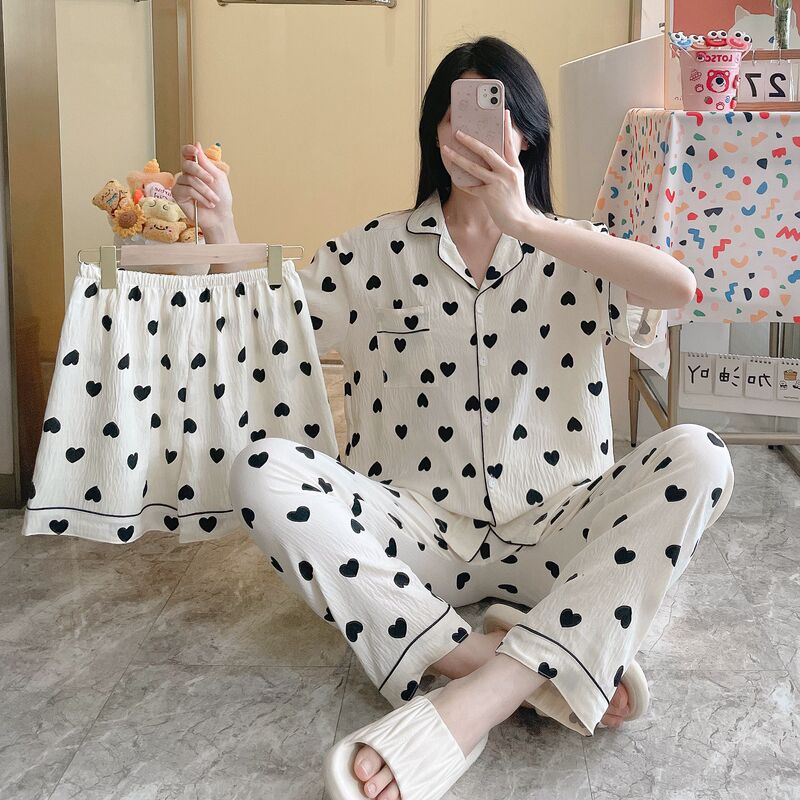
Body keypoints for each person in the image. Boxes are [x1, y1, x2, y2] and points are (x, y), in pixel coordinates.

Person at [173, 35, 734, 800]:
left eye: (494, 116)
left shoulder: (576, 249)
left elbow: (679, 290)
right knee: (262, 470)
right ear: (434, 134)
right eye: (453, 116)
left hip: (558, 530)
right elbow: (272, 326)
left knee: (702, 455)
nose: (471, 136)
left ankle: (480, 696)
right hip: (415, 533)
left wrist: (529, 225)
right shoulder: (375, 251)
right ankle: (504, 662)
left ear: (526, 134)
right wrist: (222, 231)